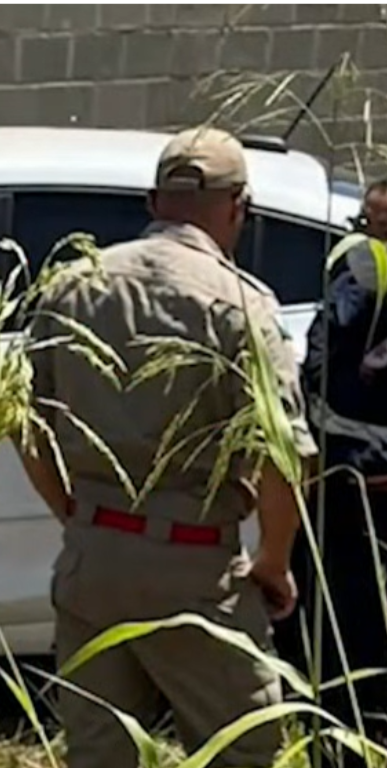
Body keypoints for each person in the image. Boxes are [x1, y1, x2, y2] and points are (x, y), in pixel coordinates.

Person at [19, 126, 317, 768]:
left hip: (92, 561)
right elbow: (281, 453)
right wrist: (273, 559)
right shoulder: (240, 303)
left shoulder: (72, 286)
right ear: (238, 207)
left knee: (101, 756)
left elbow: (23, 423)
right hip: (195, 569)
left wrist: (76, 514)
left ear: (153, 202)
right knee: (242, 751)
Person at [273, 183, 387, 767]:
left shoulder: (361, 270)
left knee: (345, 660)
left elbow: (319, 384)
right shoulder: (363, 268)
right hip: (356, 492)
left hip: (357, 497)